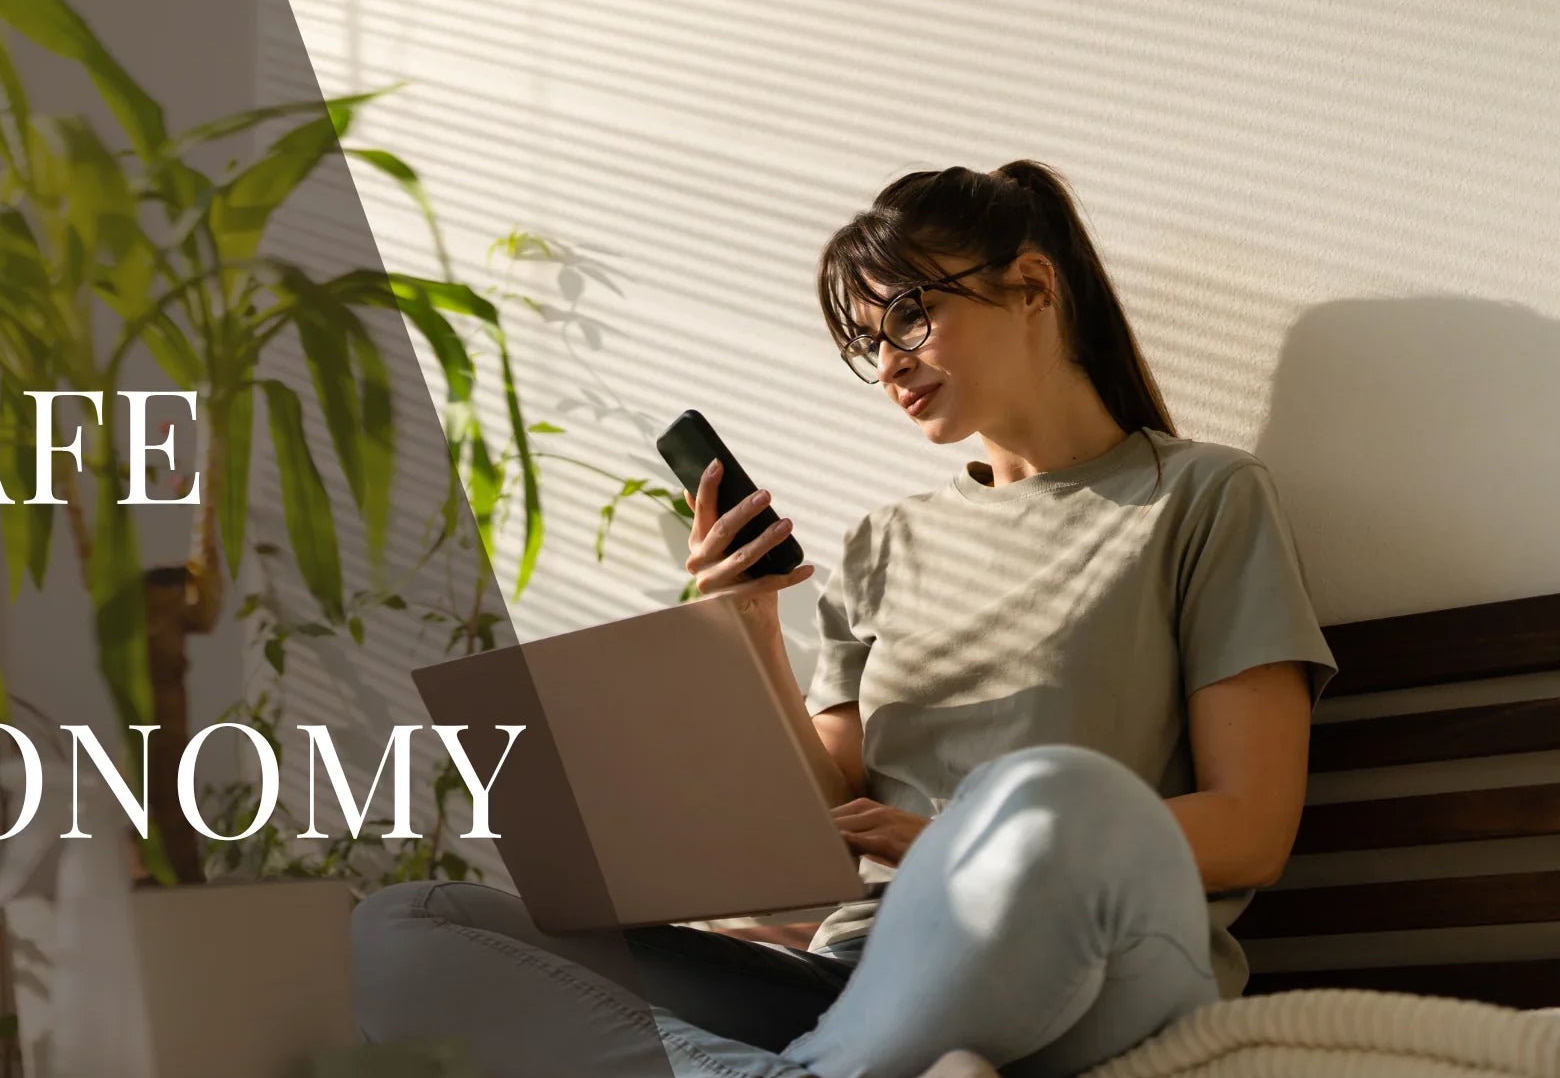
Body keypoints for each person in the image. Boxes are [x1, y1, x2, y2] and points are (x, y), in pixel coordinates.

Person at [350, 160, 1339, 1078]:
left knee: (1056, 799)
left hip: (1099, 960)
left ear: (1033, 286)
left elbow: (1249, 828)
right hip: (861, 979)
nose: (889, 363)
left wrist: (952, 842)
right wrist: (744, 629)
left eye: (906, 316)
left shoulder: (1203, 498)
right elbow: (825, 810)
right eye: (868, 343)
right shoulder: (882, 543)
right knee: (406, 927)